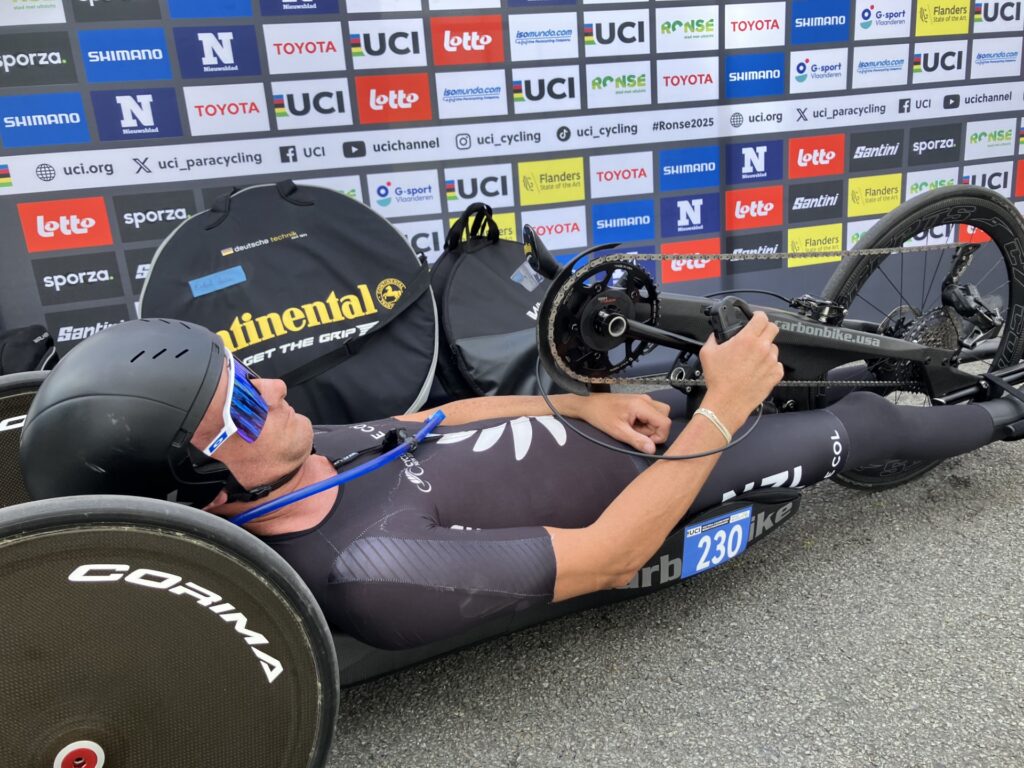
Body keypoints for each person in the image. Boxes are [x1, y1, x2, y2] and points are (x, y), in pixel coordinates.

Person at [19, 317, 1024, 649]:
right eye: (239, 408)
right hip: (662, 491)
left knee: (822, 375)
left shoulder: (290, 458)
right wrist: (720, 416)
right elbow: (610, 554)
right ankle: (1004, 414)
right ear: (200, 483)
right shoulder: (365, 570)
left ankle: (930, 366)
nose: (275, 392)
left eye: (249, 375)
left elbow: (438, 418)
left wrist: (580, 407)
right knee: (855, 423)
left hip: (638, 435)